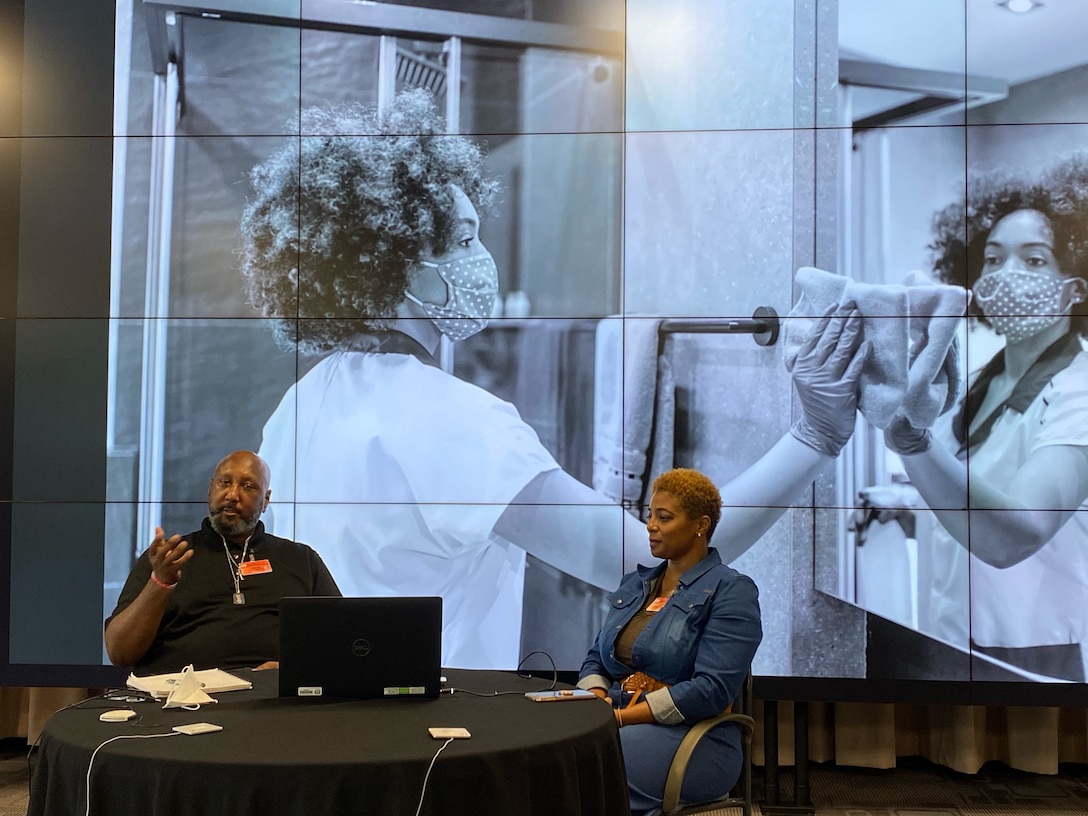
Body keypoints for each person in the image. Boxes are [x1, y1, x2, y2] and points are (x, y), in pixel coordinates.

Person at [239, 87, 870, 669]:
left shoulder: (299, 403)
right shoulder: (448, 419)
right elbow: (659, 555)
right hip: (425, 744)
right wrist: (815, 434)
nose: (481, 258)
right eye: (463, 239)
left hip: (330, 722)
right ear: (402, 269)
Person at [872, 154, 1088, 681]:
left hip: (1037, 646)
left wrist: (914, 442)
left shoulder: (1079, 389)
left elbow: (1015, 535)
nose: (1005, 275)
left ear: (1075, 289)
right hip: (951, 632)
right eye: (992, 259)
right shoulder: (977, 383)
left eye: (1035, 261)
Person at [577, 468, 760, 816]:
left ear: (700, 525)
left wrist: (621, 719)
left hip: (697, 736)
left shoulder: (732, 591)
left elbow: (711, 689)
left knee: (585, 765)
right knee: (545, 746)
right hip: (618, 715)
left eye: (664, 517)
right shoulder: (635, 585)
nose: (650, 525)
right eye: (650, 516)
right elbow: (594, 659)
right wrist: (597, 700)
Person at [104, 450, 341, 674]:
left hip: (275, 699)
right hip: (182, 702)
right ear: (210, 489)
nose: (232, 495)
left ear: (266, 499)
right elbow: (120, 653)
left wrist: (296, 669)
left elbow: (343, 640)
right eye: (224, 483)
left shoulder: (300, 559)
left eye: (247, 486)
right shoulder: (169, 558)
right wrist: (160, 583)